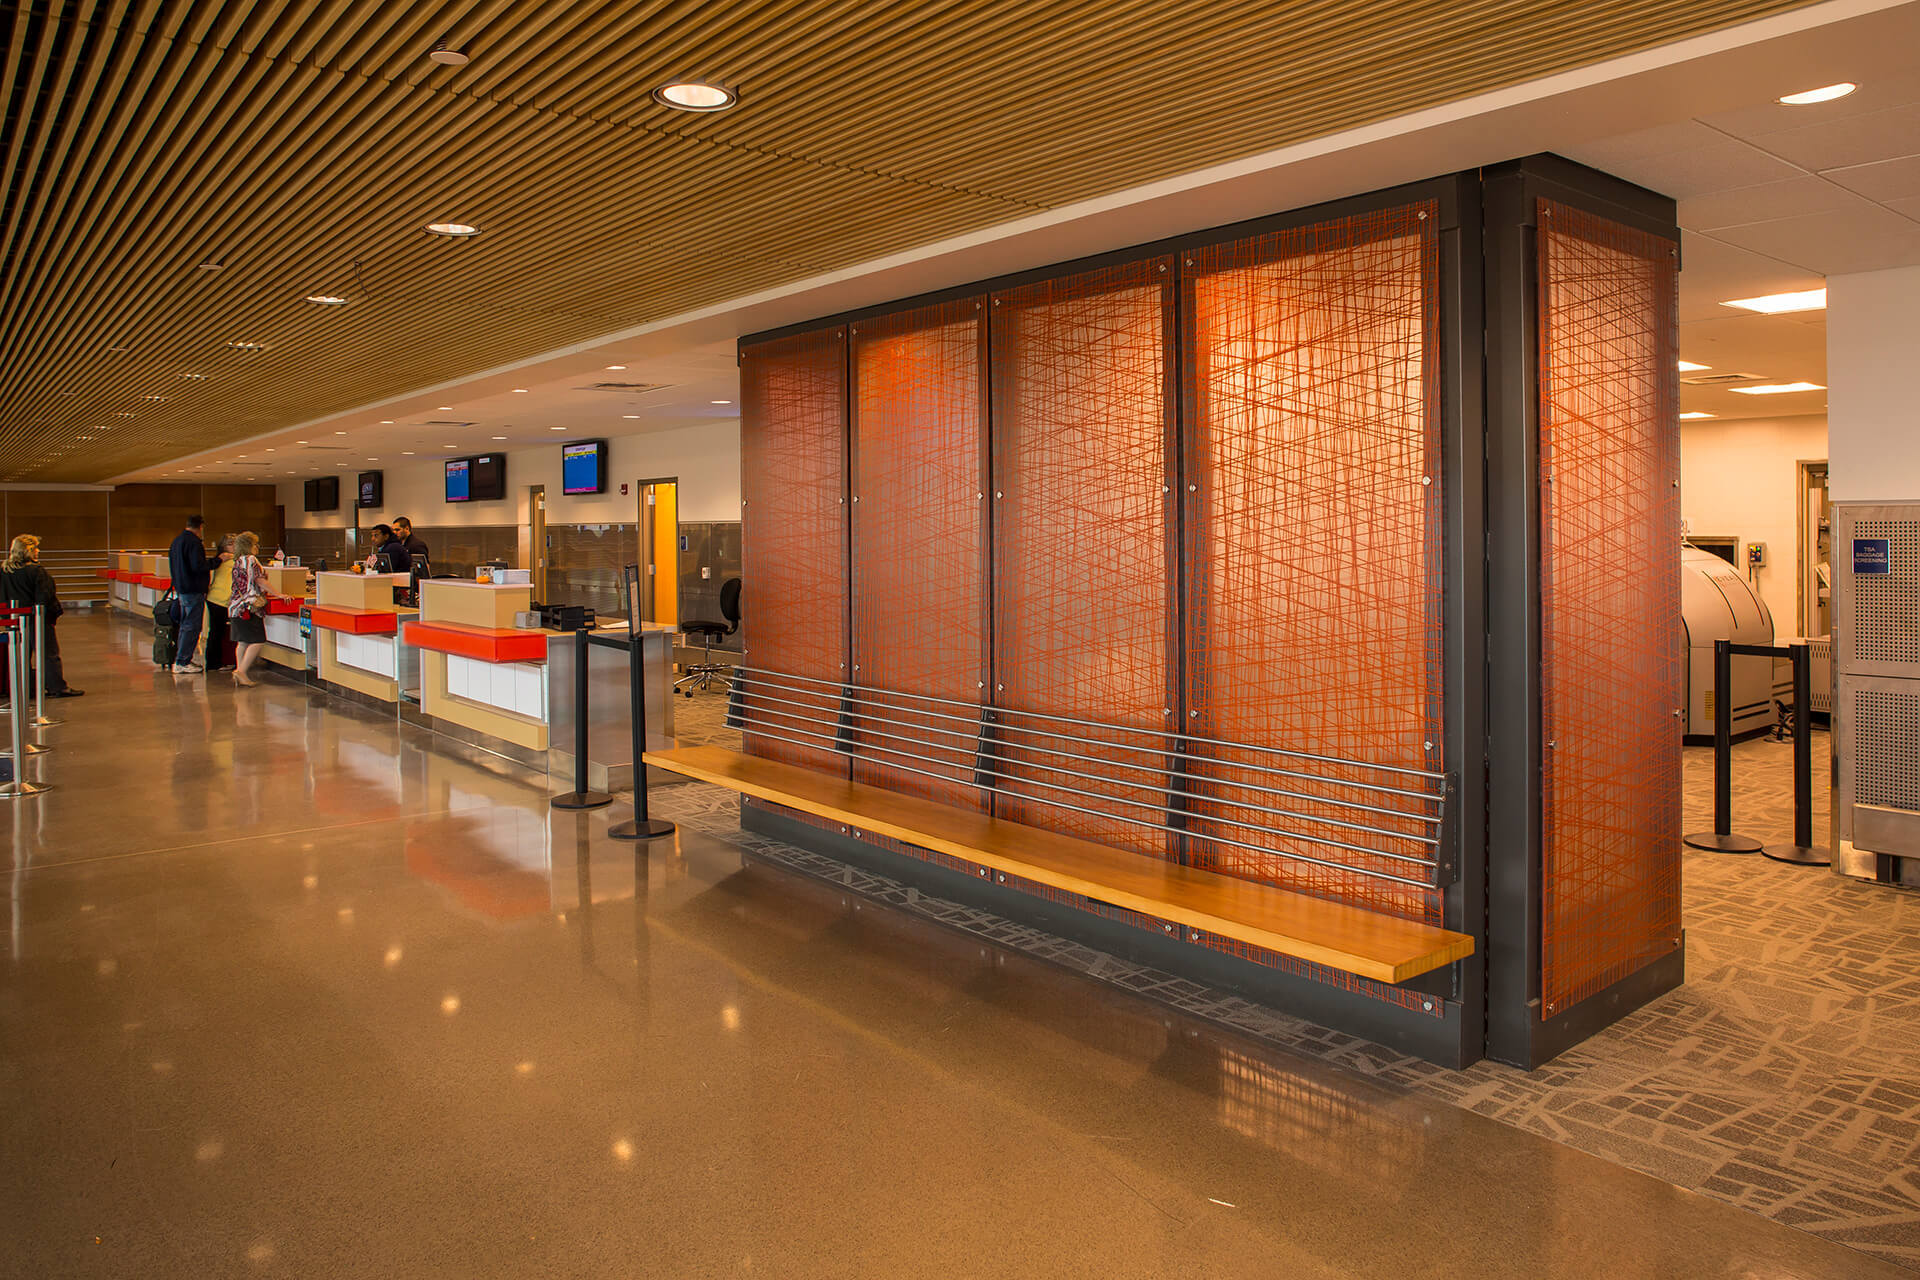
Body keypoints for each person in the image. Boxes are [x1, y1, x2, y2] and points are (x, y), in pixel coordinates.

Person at [0, 534, 82, 698]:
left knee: (21, 655)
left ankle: (24, 687)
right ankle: (57, 687)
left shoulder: (4, 571)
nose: (38, 551)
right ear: (28, 550)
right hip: (36, 619)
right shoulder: (36, 571)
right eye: (36, 548)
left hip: (13, 619)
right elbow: (45, 596)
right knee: (48, 654)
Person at [226, 531, 282, 688]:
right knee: (258, 640)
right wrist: (278, 594)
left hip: (235, 607)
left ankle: (240, 672)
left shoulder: (237, 561)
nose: (257, 547)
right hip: (249, 608)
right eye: (255, 544)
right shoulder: (251, 560)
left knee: (242, 642)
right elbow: (260, 581)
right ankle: (241, 671)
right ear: (249, 545)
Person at [168, 514, 212, 674]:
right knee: (192, 627)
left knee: (185, 626)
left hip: (182, 589)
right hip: (193, 590)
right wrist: (217, 561)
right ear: (200, 527)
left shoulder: (177, 541)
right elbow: (198, 566)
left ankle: (181, 659)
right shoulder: (194, 543)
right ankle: (183, 661)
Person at [203, 535, 238, 671]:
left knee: (215, 631)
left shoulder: (220, 559)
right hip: (221, 600)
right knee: (217, 632)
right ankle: (214, 662)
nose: (234, 547)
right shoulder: (231, 560)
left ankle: (214, 661)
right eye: (231, 544)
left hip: (214, 597)